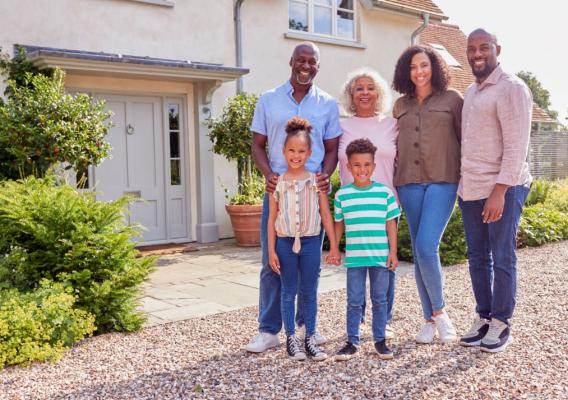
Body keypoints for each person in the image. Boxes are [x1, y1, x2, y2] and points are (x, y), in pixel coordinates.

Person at [246, 42, 342, 353]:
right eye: (301, 59)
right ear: (291, 61)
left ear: (317, 66)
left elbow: (331, 150)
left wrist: (326, 174)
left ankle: (305, 327)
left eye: (312, 61)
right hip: (278, 192)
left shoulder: (327, 104)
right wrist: (267, 175)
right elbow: (257, 144)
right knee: (271, 261)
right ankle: (269, 330)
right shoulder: (269, 100)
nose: (306, 65)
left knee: (308, 266)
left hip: (312, 194)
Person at [458, 29, 532, 353]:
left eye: (483, 47)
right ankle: (484, 316)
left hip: (504, 186)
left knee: (502, 256)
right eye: (472, 48)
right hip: (471, 188)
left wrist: (500, 190)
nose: (477, 54)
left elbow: (517, 147)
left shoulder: (511, 88)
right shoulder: (471, 93)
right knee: (477, 257)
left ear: (497, 49)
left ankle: (502, 322)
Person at [392, 45, 463, 344]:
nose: (418, 71)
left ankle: (440, 312)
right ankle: (428, 320)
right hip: (408, 182)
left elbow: (465, 140)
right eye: (412, 67)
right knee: (421, 255)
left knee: (425, 246)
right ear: (405, 73)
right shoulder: (399, 106)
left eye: (423, 65)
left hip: (443, 180)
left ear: (434, 66)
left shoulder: (453, 99)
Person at [267, 117, 340, 361]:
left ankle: (310, 337)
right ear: (283, 151)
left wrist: (334, 247)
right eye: (291, 150)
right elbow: (271, 219)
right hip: (285, 244)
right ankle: (291, 338)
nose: (296, 155)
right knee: (288, 291)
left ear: (309, 152)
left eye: (301, 150)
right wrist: (271, 251)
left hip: (310, 243)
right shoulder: (277, 183)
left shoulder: (316, 181)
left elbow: (326, 215)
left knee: (309, 291)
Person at [338, 67, 398, 339]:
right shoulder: (340, 126)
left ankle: (383, 321)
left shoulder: (391, 124)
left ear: (379, 93)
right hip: (353, 206)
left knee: (385, 262)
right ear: (351, 93)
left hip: (385, 203)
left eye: (370, 87)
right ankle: (357, 320)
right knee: (358, 263)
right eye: (359, 88)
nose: (365, 92)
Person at [331, 138, 400, 360]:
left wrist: (393, 252)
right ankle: (352, 342)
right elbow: (338, 224)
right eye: (357, 165)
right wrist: (334, 248)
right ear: (349, 167)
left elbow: (391, 224)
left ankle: (380, 340)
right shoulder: (343, 195)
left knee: (380, 300)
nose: (362, 169)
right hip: (355, 259)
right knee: (354, 301)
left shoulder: (385, 193)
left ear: (374, 166)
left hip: (380, 257)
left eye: (367, 164)